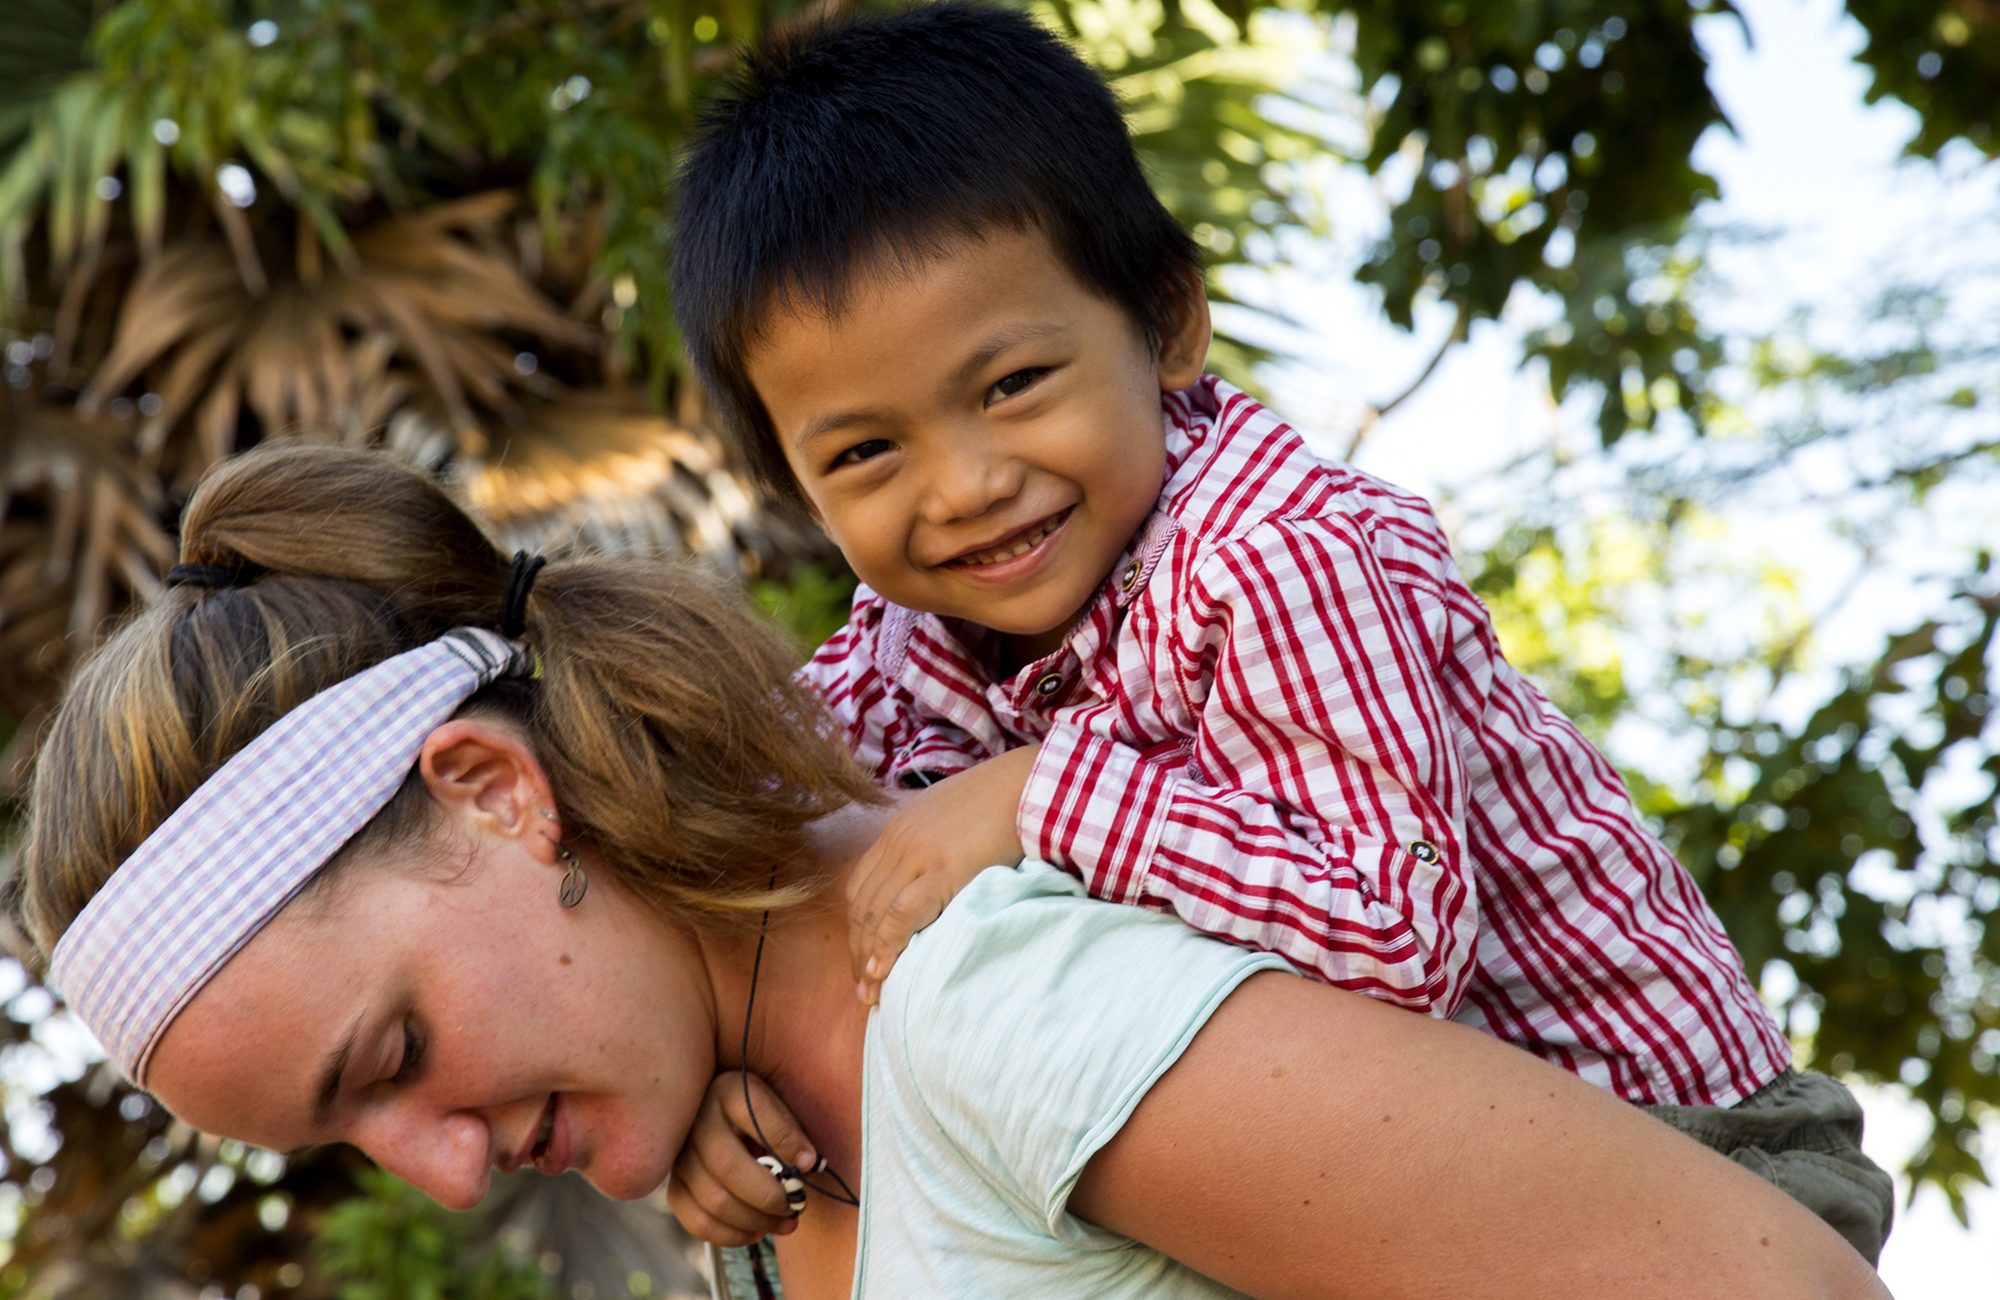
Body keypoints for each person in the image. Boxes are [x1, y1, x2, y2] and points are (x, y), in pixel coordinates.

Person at [13, 447, 1883, 1300]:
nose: (435, 1166)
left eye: (389, 1057)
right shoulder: (756, 1153)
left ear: (496, 791)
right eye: (349, 1145)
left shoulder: (986, 1002)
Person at [665, 1, 1894, 1264]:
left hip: (1701, 1160)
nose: (964, 483)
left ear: (1166, 326)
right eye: (867, 451)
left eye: (1012, 385)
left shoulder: (1272, 558)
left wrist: (1042, 794)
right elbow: (775, 854)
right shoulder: (906, 639)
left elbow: (1394, 935)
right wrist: (730, 1075)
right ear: (795, 488)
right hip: (1414, 1172)